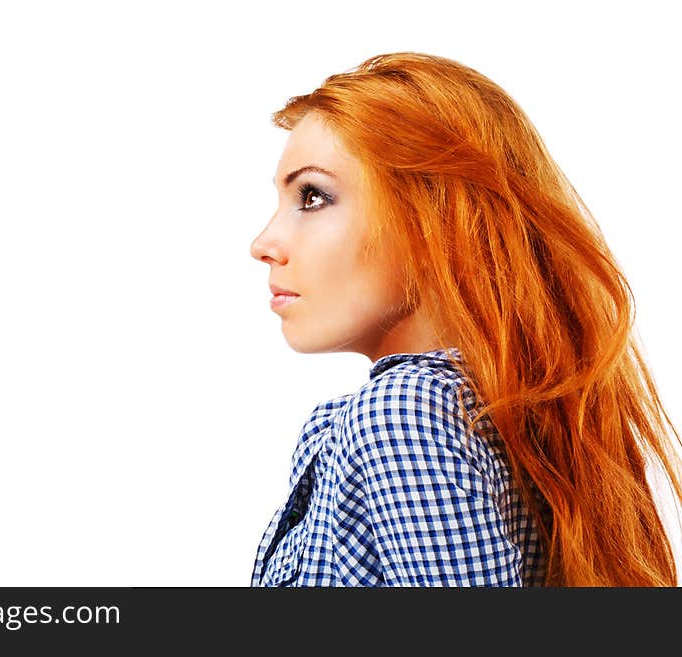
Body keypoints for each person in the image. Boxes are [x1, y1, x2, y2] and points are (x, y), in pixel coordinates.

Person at [248, 52, 682, 587]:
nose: (263, 244)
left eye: (312, 196)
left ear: (434, 220)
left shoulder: (401, 415)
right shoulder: (505, 414)